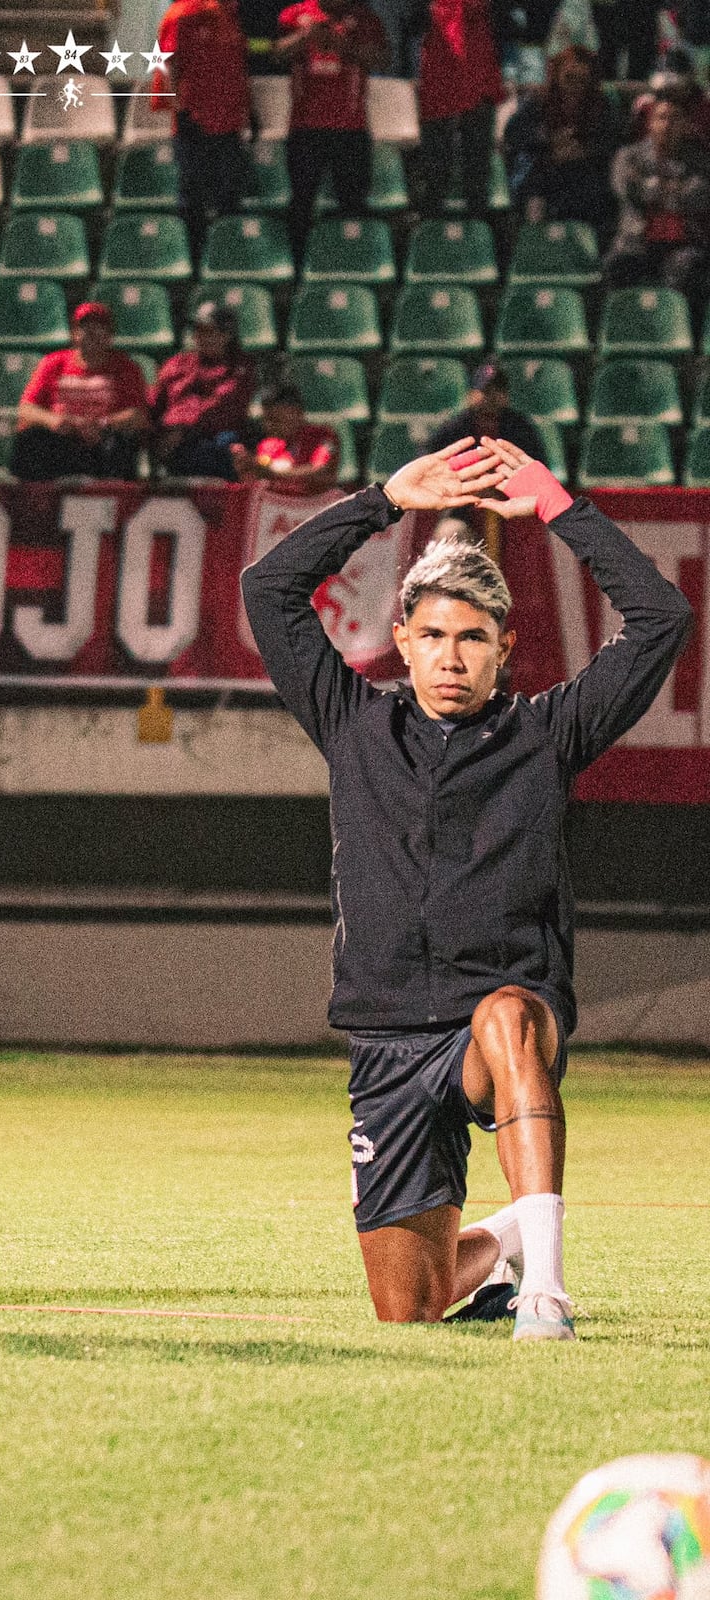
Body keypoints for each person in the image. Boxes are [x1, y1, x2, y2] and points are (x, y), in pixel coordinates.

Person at [241, 436, 692, 1339]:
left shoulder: (548, 734)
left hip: (503, 1029)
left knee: (506, 1014)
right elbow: (268, 589)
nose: (452, 657)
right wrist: (386, 499)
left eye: (474, 638)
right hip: (388, 1040)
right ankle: (508, 1243)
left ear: (505, 649)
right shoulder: (352, 723)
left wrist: (561, 508)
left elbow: (662, 618)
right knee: (408, 1309)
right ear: (401, 640)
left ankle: (546, 1292)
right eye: (435, 636)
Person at [273, 0, 389, 265]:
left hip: (351, 129)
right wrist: (307, 37)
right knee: (301, 204)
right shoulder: (294, 15)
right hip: (305, 128)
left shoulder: (365, 18)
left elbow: (382, 60)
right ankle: (300, 269)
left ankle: (351, 267)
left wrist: (344, 45)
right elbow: (277, 55)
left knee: (353, 206)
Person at [152, 0, 252, 267]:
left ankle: (227, 261)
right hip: (194, 123)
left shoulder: (229, 14)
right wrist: (179, 109)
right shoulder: (182, 15)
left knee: (230, 198)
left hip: (229, 124)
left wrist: (249, 112)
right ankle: (193, 263)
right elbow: (167, 64)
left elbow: (237, 68)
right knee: (192, 200)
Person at [10, 302, 149, 482]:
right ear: (74, 333)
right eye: (85, 327)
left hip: (101, 443)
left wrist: (104, 424)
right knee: (30, 439)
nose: (91, 332)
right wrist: (54, 420)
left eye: (99, 327)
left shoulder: (126, 367)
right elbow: (26, 408)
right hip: (62, 441)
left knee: (123, 443)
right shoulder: (53, 363)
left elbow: (137, 415)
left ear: (109, 335)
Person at [502, 45, 619, 235]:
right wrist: (549, 141)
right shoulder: (539, 102)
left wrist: (583, 150)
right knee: (534, 191)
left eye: (581, 80)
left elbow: (611, 141)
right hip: (543, 174)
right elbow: (513, 133)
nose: (574, 86)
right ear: (557, 77)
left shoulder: (601, 106)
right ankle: (534, 241)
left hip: (584, 176)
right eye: (569, 78)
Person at [603, 92, 710, 300]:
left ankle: (683, 330)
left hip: (682, 242)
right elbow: (625, 189)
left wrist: (648, 185)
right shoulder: (628, 156)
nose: (668, 124)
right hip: (636, 240)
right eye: (662, 118)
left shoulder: (699, 160)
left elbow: (702, 195)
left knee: (691, 268)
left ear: (686, 124)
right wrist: (674, 189)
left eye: (675, 118)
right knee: (615, 265)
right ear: (651, 123)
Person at [412, 0, 507, 218]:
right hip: (439, 79)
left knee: (476, 174)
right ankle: (431, 240)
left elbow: (507, 19)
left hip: (478, 77)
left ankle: (478, 244)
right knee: (435, 172)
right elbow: (413, 21)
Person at [150, 301, 255, 479]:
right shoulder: (177, 364)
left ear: (226, 335)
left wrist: (183, 428)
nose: (201, 337)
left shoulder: (239, 367)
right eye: (198, 331)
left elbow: (223, 407)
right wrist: (159, 431)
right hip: (171, 440)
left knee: (228, 442)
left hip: (211, 439)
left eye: (209, 332)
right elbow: (155, 403)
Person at [229, 379, 341, 491]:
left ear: (297, 413)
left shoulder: (323, 436)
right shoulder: (268, 445)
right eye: (266, 420)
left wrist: (270, 471)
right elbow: (259, 478)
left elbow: (321, 473)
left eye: (275, 420)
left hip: (318, 504)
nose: (268, 426)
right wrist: (248, 469)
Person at [427, 361, 544, 460]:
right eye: (486, 391)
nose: (492, 397)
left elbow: (536, 464)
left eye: (498, 390)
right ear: (471, 395)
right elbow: (431, 459)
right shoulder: (454, 428)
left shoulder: (520, 426)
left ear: (506, 396)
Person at [590, 0, 660, 85]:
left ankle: (636, 83)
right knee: (608, 49)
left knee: (640, 50)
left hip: (641, 10)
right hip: (610, 9)